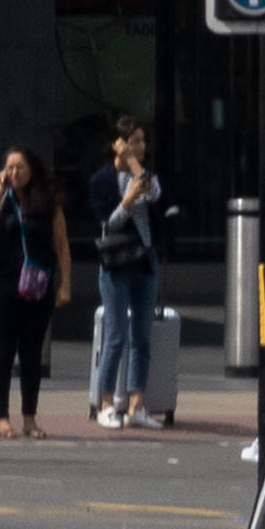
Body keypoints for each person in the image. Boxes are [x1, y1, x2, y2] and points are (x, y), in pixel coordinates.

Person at [0, 144, 69, 435]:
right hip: (2, 283)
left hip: (38, 285)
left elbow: (61, 244)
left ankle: (29, 417)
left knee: (31, 353)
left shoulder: (49, 201)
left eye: (20, 167)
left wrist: (65, 284)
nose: (14, 173)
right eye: (10, 167)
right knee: (3, 351)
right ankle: (1, 417)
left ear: (32, 170)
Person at [86, 119, 171, 428]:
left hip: (145, 260)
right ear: (118, 144)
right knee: (116, 335)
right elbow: (108, 222)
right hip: (116, 261)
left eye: (142, 141)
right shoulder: (101, 180)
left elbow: (155, 195)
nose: (140, 147)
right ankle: (106, 403)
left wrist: (135, 166)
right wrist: (129, 198)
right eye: (134, 141)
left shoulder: (147, 175)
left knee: (142, 337)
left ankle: (137, 406)